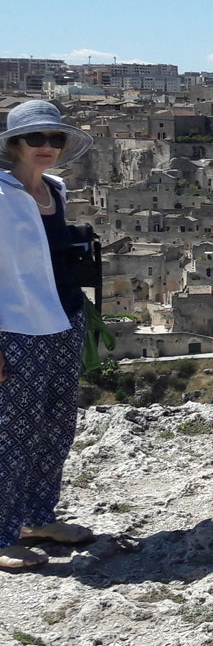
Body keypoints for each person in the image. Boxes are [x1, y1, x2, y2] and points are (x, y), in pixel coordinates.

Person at [0, 100, 95, 570]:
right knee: (12, 432)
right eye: (36, 138)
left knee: (56, 426)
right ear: (14, 144)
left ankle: (37, 518)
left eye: (55, 139)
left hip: (65, 319)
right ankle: (1, 533)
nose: (47, 147)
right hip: (19, 328)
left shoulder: (55, 191)